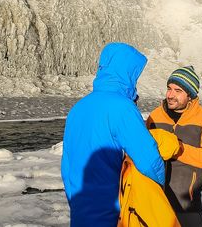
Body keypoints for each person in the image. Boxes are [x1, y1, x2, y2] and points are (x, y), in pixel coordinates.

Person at [61, 42, 167, 226]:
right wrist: (162, 188)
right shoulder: (122, 108)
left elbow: (67, 165)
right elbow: (148, 159)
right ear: (127, 73)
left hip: (81, 212)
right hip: (111, 213)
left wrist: (78, 206)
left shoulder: (77, 109)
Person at [131, 66, 202, 227]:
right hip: (155, 203)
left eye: (178, 90)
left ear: (190, 95)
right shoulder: (155, 116)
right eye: (169, 88)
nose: (170, 95)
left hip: (188, 206)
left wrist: (176, 149)